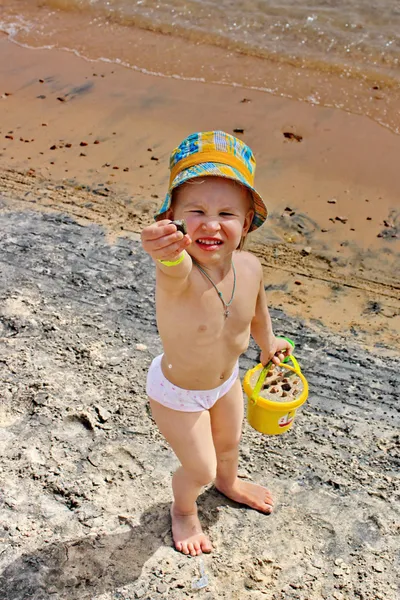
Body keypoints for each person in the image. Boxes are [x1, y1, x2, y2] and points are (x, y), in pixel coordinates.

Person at [141, 131, 292, 556]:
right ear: (174, 219)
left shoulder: (250, 265)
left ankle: (230, 483)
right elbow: (168, 260)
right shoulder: (178, 274)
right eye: (196, 211)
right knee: (199, 467)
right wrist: (161, 248)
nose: (211, 223)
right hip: (177, 393)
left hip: (225, 382)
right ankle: (184, 510)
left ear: (245, 224)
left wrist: (269, 343)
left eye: (226, 212)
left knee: (228, 446)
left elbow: (258, 313)